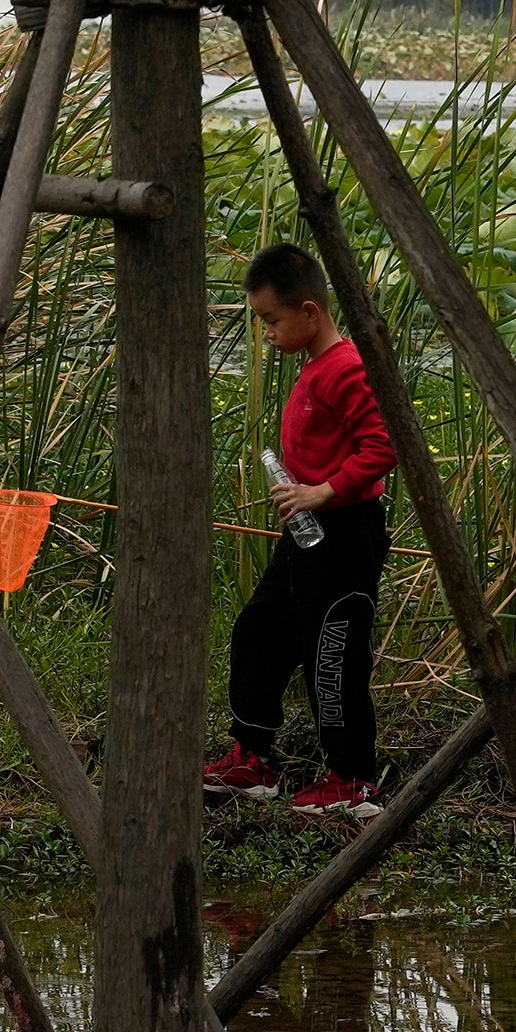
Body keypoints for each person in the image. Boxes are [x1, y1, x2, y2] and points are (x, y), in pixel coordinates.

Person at [206, 245, 393, 821]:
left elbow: (384, 445)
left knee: (331, 651)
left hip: (345, 533)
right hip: (305, 534)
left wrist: (323, 491)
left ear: (310, 311)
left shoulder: (347, 367)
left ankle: (352, 780)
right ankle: (253, 758)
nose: (266, 332)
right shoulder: (314, 365)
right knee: (260, 629)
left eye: (271, 320)